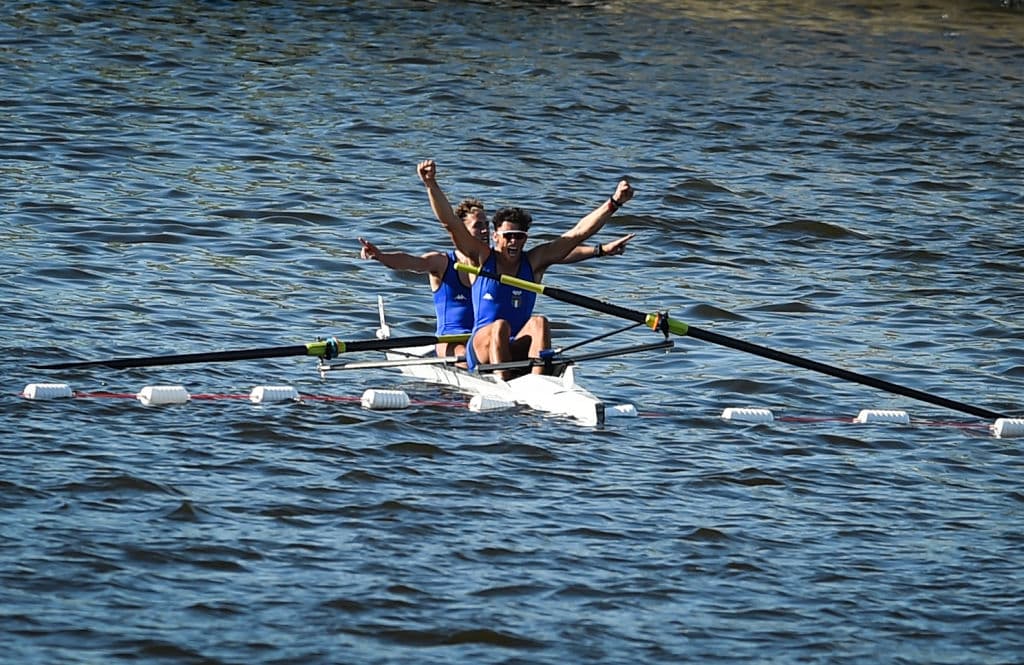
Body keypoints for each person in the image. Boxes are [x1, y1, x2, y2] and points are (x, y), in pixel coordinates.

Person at [417, 158, 634, 379]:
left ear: (525, 239)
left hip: (515, 345)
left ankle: (540, 381)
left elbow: (577, 234)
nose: (514, 241)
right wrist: (431, 184)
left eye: (519, 237)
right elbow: (450, 223)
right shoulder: (481, 258)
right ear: (495, 237)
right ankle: (502, 380)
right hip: (481, 348)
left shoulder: (533, 262)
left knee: (539, 322)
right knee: (500, 326)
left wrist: (614, 203)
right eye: (508, 236)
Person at [359, 199, 634, 359]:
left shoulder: (507, 260)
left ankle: (536, 374)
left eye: (486, 226)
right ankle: (500, 377)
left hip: (498, 339)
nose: (483, 231)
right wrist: (381, 256)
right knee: (491, 332)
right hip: (454, 342)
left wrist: (599, 250)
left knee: (532, 324)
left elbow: (562, 249)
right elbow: (411, 262)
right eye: (477, 226)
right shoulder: (444, 262)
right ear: (464, 231)